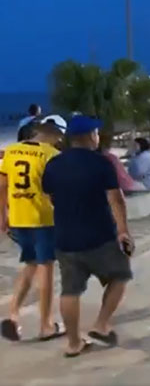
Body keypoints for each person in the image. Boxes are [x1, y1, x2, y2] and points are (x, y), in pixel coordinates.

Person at [41, 115, 133, 357]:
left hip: (65, 239)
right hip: (100, 236)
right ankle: (101, 324)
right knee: (121, 274)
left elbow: (50, 196)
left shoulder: (53, 164)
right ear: (91, 136)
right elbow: (116, 199)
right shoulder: (101, 163)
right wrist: (123, 230)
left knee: (70, 291)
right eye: (96, 133)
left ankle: (73, 343)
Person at [0, 122, 66, 342]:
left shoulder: (11, 151)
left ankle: (13, 315)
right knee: (46, 268)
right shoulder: (51, 155)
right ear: (53, 136)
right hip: (43, 218)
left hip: (18, 217)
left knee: (30, 264)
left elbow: (2, 186)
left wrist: (2, 216)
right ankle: (46, 325)